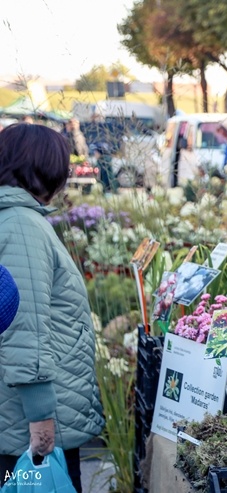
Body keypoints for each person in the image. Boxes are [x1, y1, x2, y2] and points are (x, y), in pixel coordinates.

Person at [0, 123, 105, 491]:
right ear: (45, 169)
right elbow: (23, 327)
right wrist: (41, 420)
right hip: (30, 428)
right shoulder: (21, 226)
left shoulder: (14, 219)